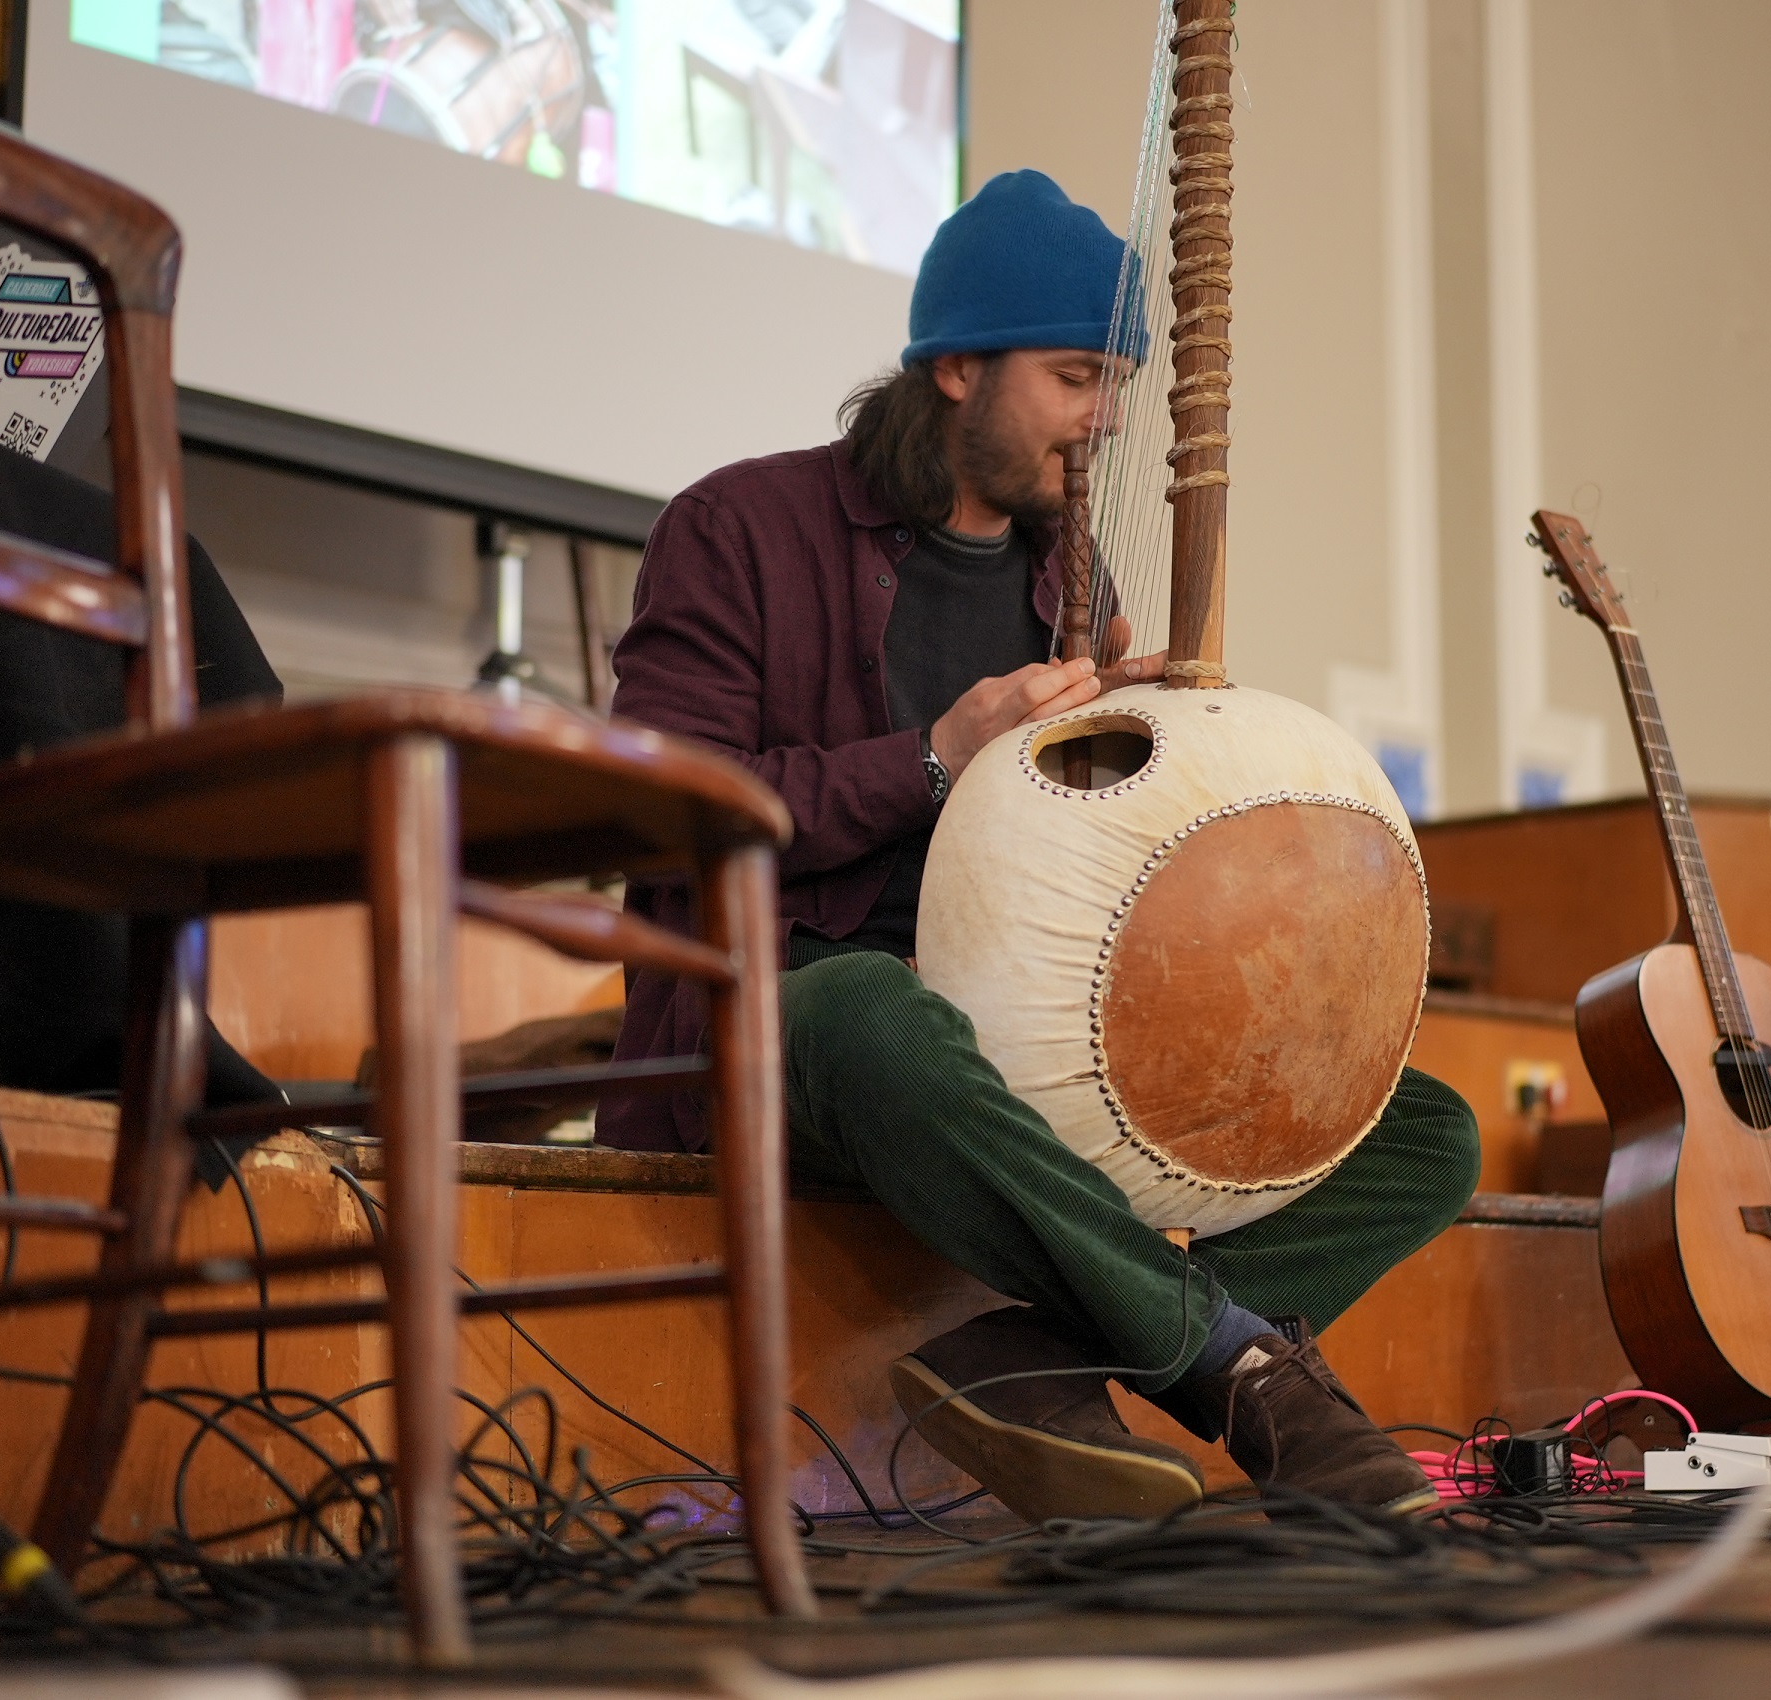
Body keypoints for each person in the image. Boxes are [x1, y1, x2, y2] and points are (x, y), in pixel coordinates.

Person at [597, 171, 1480, 1522]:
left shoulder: (1071, 587)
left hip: (1012, 1056)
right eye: (1075, 377)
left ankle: (1036, 1359)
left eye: (1115, 383)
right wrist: (935, 755)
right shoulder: (739, 529)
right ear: (955, 368)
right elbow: (658, 818)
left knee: (1418, 1124)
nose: (1105, 421)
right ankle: (1236, 1371)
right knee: (870, 1007)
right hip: (787, 1035)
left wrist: (1177, 760)